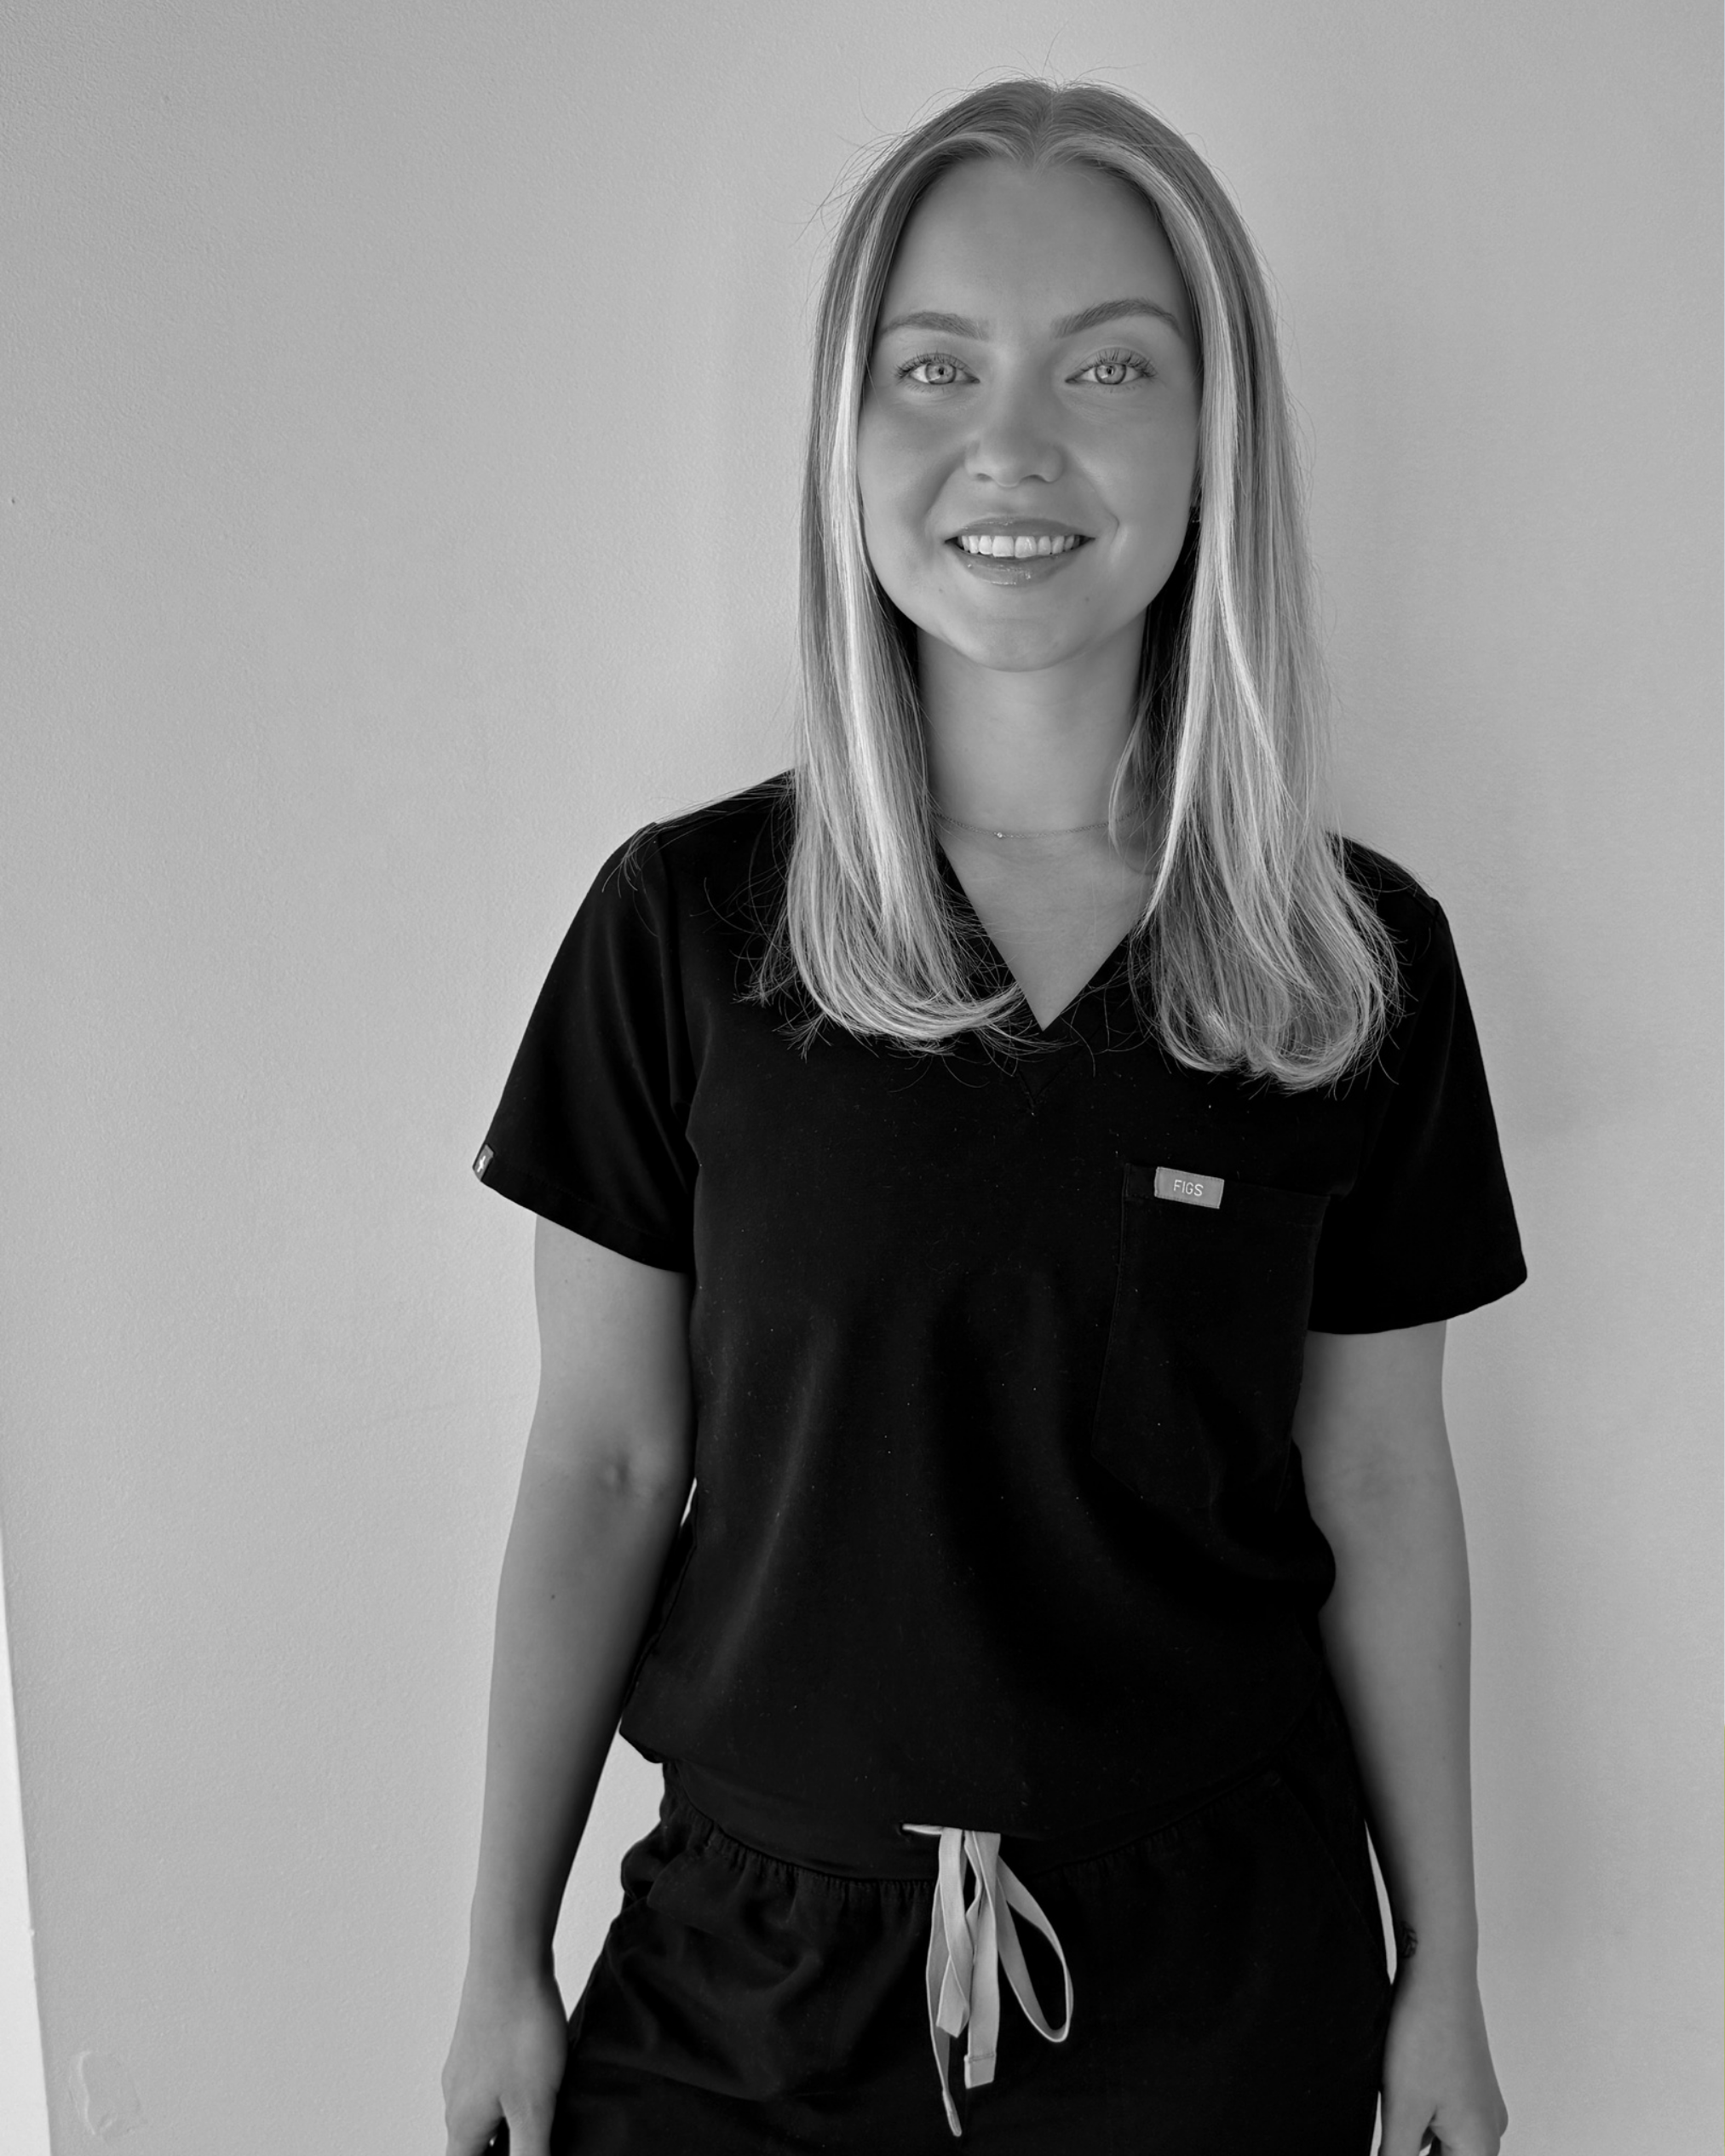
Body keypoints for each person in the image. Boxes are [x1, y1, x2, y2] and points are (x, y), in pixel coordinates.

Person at [440, 77, 1525, 2156]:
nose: (1011, 444)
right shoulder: (684, 928)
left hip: (1220, 1980)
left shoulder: (1349, 961)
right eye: (933, 366)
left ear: (1217, 437)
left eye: (1110, 363)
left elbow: (1381, 1482)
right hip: (746, 1994)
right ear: (846, 435)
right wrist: (499, 1954)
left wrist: (1443, 1965)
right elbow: (598, 1459)